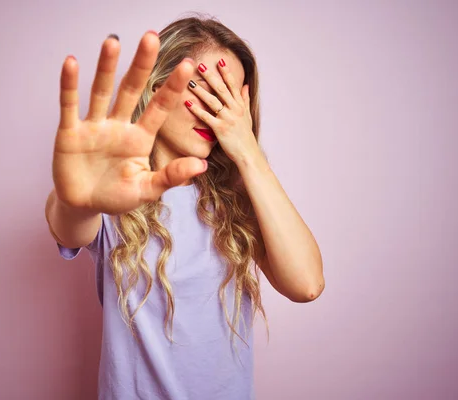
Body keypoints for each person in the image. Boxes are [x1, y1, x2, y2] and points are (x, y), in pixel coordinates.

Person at [45, 15, 324, 400]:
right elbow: (69, 225)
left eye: (230, 99)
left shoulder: (236, 203)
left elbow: (306, 284)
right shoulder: (117, 192)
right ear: (159, 87)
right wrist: (75, 197)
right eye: (206, 89)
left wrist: (248, 152)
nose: (216, 110)